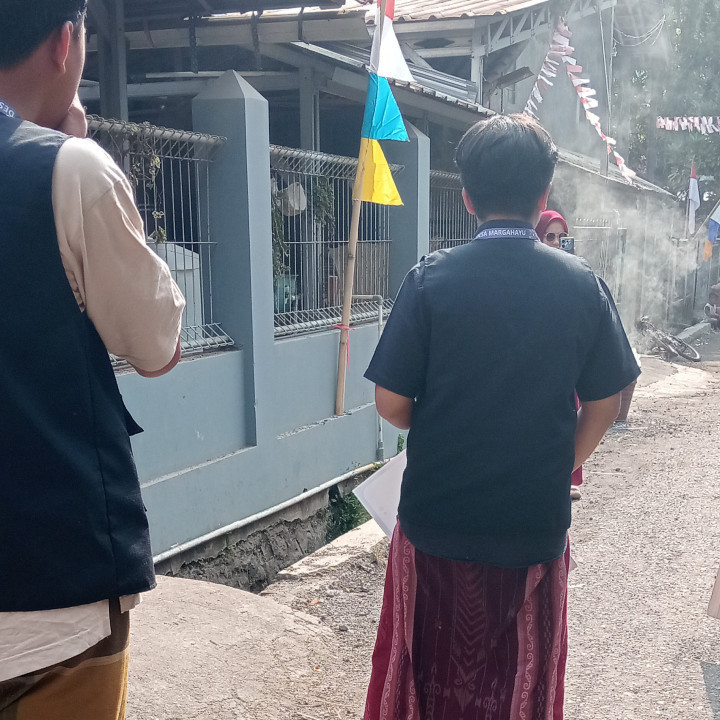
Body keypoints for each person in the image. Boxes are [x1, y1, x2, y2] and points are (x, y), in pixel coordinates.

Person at [362, 114, 640, 719]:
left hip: (437, 522)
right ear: (544, 195)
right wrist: (561, 461)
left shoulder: (429, 281)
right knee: (523, 682)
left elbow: (391, 404)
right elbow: (607, 401)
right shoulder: (582, 286)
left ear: (466, 198)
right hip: (532, 528)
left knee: (424, 679)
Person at [0, 3, 185, 718]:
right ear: (64, 43)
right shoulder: (67, 170)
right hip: (54, 596)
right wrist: (73, 148)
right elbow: (158, 347)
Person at [537, 210, 583, 500]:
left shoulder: (572, 272)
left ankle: (566, 476)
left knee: (568, 415)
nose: (555, 242)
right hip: (539, 357)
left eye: (561, 237)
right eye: (549, 236)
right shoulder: (529, 270)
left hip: (565, 357)